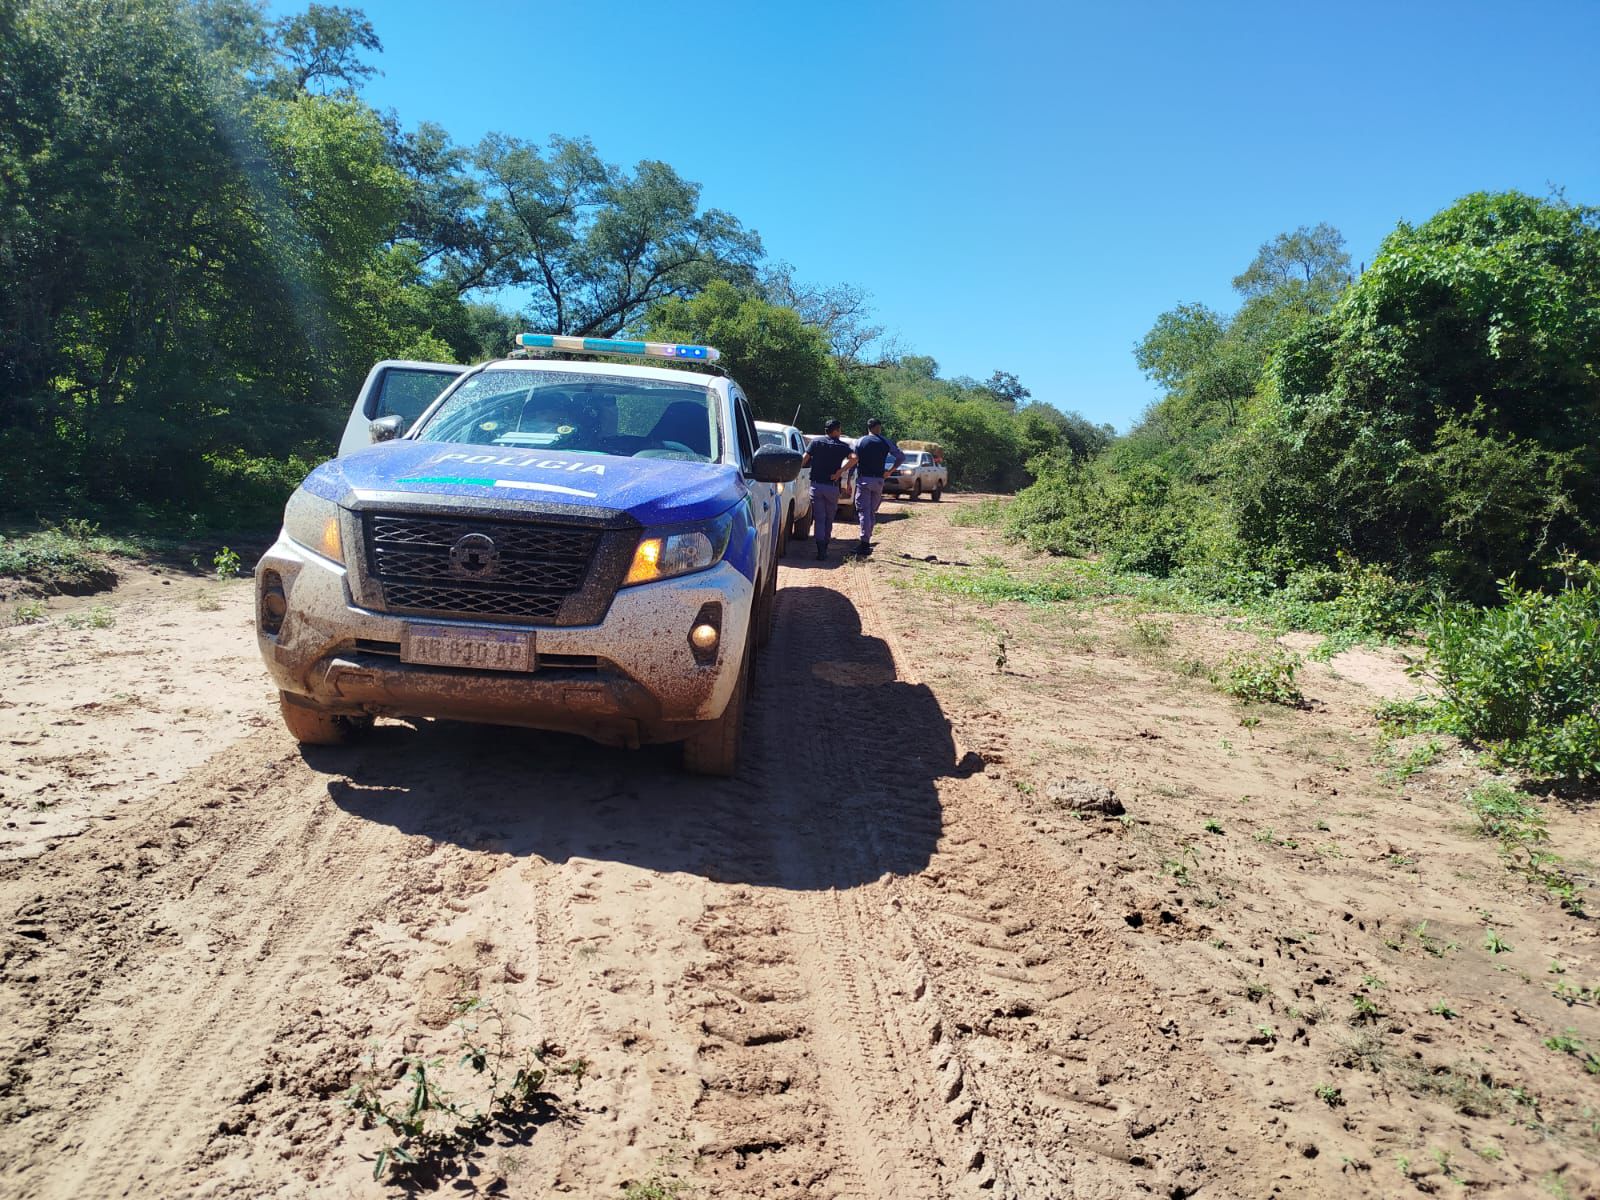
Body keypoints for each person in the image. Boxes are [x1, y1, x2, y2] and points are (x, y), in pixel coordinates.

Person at [801, 419, 857, 560]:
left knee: (819, 518)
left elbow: (804, 459)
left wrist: (794, 471)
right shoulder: (842, 446)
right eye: (840, 430)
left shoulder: (816, 443)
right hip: (832, 487)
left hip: (817, 486)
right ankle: (825, 546)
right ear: (836, 431)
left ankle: (820, 550)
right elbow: (854, 458)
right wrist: (840, 471)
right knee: (829, 518)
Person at [850, 417, 905, 554]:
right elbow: (901, 456)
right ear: (878, 427)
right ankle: (867, 539)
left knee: (864, 512)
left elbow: (853, 460)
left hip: (864, 480)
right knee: (871, 512)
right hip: (879, 481)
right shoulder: (885, 442)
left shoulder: (860, 441)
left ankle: (864, 543)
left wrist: (849, 478)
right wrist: (890, 471)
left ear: (868, 427)